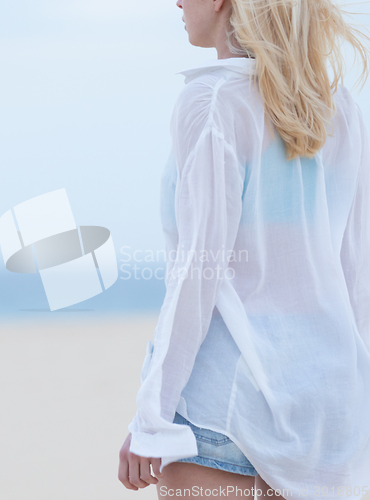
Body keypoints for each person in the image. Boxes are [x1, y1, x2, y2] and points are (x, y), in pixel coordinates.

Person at [118, 0, 370, 499]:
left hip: (223, 403)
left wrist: (152, 414)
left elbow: (199, 268)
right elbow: (355, 269)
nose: (177, 2)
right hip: (320, 405)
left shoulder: (213, 101)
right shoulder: (339, 106)